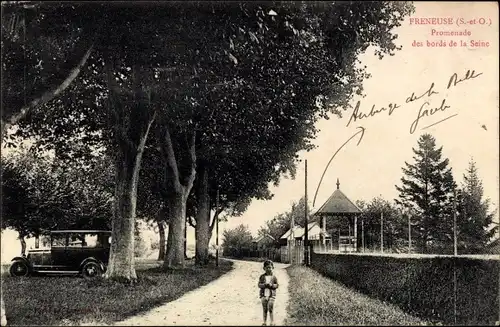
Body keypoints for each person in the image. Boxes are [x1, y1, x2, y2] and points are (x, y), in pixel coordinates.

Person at [258, 260, 279, 326]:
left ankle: (272, 322)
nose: (269, 269)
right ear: (264, 268)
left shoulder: (274, 277)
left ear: (273, 268)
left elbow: (277, 285)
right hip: (263, 295)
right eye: (267, 268)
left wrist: (272, 285)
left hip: (271, 295)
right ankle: (264, 322)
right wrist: (264, 285)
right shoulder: (262, 277)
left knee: (270, 308)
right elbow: (259, 285)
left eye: (270, 267)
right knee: (264, 309)